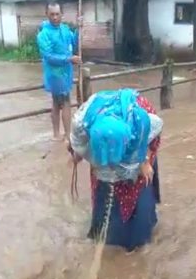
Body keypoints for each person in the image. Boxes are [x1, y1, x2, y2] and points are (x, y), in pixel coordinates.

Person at [69, 88, 162, 252]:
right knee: (104, 189)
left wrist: (144, 160)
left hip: (137, 150)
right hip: (104, 143)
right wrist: (77, 154)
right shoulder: (82, 123)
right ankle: (107, 237)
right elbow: (78, 143)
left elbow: (154, 135)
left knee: (139, 189)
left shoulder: (141, 122)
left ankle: (139, 237)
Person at [36, 1, 81, 142]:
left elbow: (74, 42)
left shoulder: (65, 29)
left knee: (57, 102)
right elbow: (48, 57)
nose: (55, 17)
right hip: (54, 72)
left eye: (57, 14)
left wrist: (79, 28)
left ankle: (57, 134)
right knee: (64, 101)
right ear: (47, 15)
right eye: (52, 14)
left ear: (62, 14)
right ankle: (66, 135)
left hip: (66, 71)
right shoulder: (44, 34)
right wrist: (69, 59)